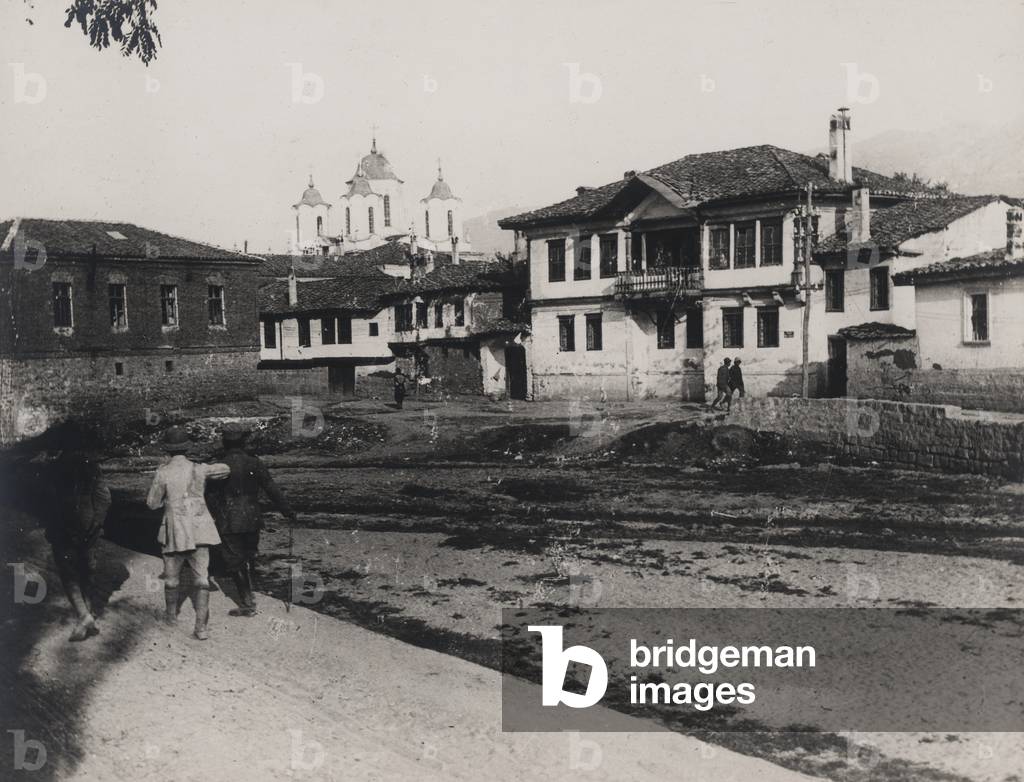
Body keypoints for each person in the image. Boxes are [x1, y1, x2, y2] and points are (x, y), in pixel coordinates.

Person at [146, 427, 229, 640]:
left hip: (175, 528)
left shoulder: (163, 472)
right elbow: (225, 469)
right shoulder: (199, 469)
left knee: (172, 578)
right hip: (200, 527)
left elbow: (152, 504)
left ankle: (171, 617)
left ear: (167, 450)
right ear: (187, 448)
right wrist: (205, 469)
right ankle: (201, 628)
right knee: (202, 579)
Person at [207, 423, 296, 617]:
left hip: (229, 518)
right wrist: (287, 510)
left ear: (224, 442)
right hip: (253, 517)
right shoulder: (254, 463)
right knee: (249, 554)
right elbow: (271, 488)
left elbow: (210, 495)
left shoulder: (218, 466)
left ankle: (247, 604)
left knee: (235, 561)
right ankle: (252, 591)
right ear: (243, 441)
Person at [40, 422, 111, 642]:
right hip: (88, 524)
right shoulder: (91, 465)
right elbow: (104, 497)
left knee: (68, 573)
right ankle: (86, 617)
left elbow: (47, 502)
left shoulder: (52, 468)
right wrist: (97, 521)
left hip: (63, 525)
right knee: (85, 570)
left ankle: (83, 616)